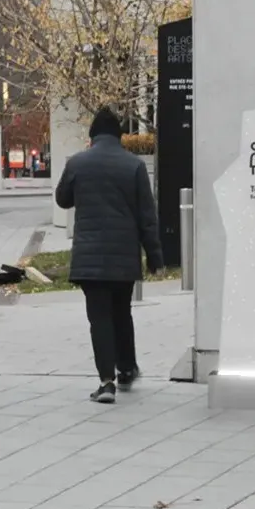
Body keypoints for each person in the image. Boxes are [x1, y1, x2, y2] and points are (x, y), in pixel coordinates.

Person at [54, 107, 164, 404]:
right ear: (120, 136)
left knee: (99, 317)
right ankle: (126, 368)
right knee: (122, 312)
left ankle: (106, 383)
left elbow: (63, 199)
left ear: (92, 137)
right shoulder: (134, 165)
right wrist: (155, 257)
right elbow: (147, 216)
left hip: (89, 257)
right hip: (123, 255)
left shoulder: (78, 163)